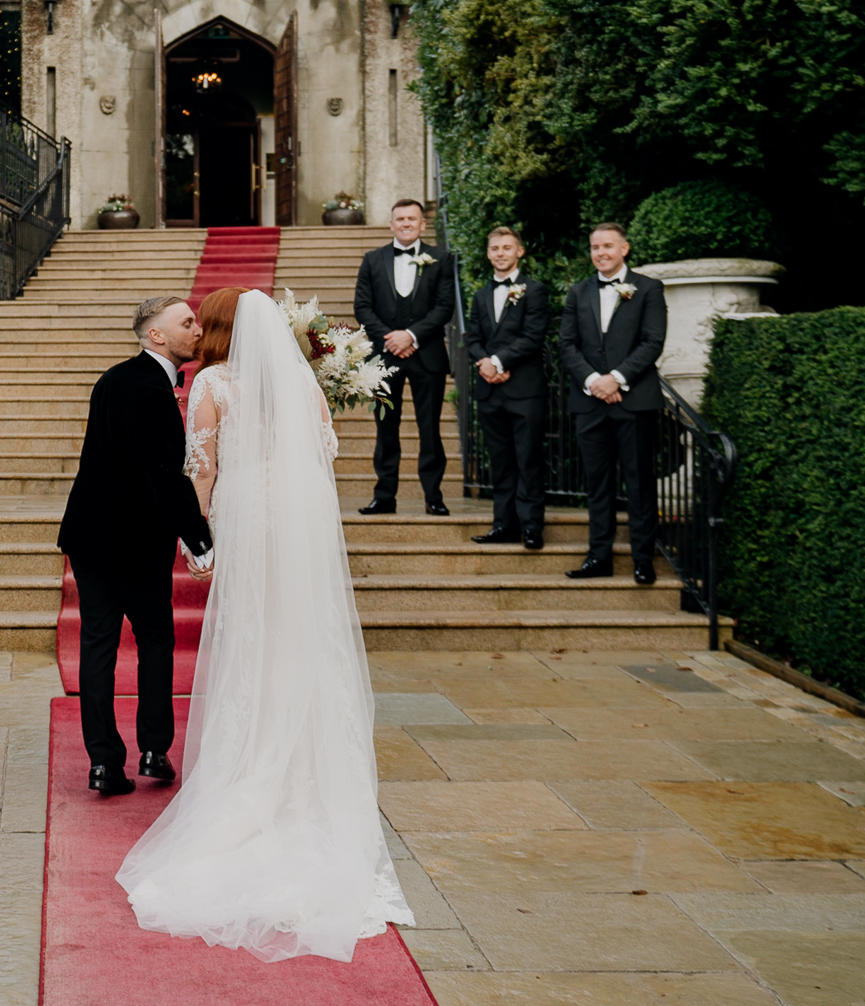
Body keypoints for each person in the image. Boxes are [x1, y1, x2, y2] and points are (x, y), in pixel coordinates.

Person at [117, 288, 414, 963]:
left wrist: (198, 542)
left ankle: (251, 762)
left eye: (200, 322)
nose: (194, 331)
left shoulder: (211, 385)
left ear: (217, 331)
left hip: (249, 517)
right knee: (297, 636)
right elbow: (324, 457)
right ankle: (307, 772)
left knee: (250, 641)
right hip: (298, 525)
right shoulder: (304, 384)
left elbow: (202, 470)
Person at [58, 294, 215, 796]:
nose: (197, 329)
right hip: (133, 541)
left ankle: (104, 763)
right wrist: (199, 537)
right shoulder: (153, 389)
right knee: (154, 642)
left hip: (88, 534)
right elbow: (164, 476)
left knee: (99, 646)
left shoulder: (112, 378)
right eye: (186, 323)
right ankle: (154, 750)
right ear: (157, 336)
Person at [556, 222, 668, 585]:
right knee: (597, 482)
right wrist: (593, 381)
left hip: (634, 401)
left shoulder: (649, 288)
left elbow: (652, 342)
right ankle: (598, 556)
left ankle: (643, 559)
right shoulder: (578, 291)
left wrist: (616, 379)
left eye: (607, 246)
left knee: (639, 482)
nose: (600, 252)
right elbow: (567, 344)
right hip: (589, 402)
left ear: (624, 248)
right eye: (594, 247)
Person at [352, 198, 457, 515]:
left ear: (423, 224)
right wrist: (390, 339)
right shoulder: (372, 260)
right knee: (385, 428)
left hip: (428, 356)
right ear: (391, 224)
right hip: (385, 357)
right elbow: (362, 307)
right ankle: (384, 496)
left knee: (430, 428)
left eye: (412, 218)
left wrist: (411, 336)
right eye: (400, 219)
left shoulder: (442, 258)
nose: (406, 223)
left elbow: (444, 307)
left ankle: (433, 497)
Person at [467, 226, 550, 550]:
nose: (500, 253)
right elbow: (471, 337)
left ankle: (532, 527)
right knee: (499, 461)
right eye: (495, 248)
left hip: (525, 390)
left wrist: (498, 362)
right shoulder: (480, 294)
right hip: (490, 391)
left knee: (528, 459)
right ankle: (503, 524)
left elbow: (533, 337)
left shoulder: (536, 290)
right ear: (488, 254)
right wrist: (485, 363)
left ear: (519, 252)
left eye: (506, 247)